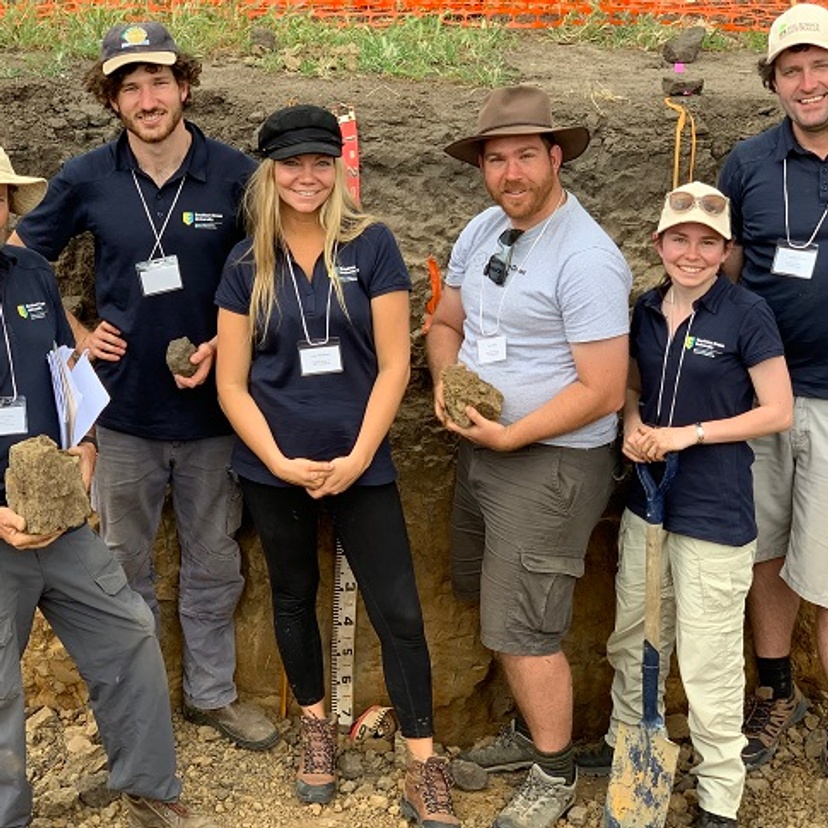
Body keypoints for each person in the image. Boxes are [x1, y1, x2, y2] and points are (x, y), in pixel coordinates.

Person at [8, 21, 277, 751]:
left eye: (159, 81)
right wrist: (73, 327)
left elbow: (277, 268)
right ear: (112, 99)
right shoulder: (86, 177)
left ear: (184, 86)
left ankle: (211, 695)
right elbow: (17, 258)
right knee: (122, 570)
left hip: (216, 415)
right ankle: (139, 707)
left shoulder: (234, 175)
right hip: (120, 414)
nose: (148, 97)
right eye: (130, 86)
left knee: (214, 562)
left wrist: (231, 340)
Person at [214, 103, 459, 826]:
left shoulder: (373, 245)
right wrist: (280, 461)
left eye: (321, 162)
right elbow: (230, 383)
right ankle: (315, 730)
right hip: (273, 465)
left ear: (339, 169)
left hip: (363, 462)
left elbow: (393, 366)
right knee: (292, 594)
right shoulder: (243, 263)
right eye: (292, 164)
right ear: (270, 171)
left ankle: (424, 764)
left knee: (400, 610)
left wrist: (356, 458)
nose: (307, 177)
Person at [425, 84, 632, 828]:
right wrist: (448, 380)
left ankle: (553, 770)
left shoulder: (588, 259)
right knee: (497, 601)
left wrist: (514, 434)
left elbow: (605, 389)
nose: (510, 174)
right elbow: (446, 319)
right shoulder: (483, 229)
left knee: (526, 625)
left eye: (523, 157)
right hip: (483, 451)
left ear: (554, 157)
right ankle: (531, 735)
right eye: (495, 160)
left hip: (549, 465)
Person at [0, 147, 219, 828]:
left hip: (60, 518)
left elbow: (66, 368)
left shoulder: (31, 272)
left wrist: (88, 443)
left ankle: (148, 789)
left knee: (127, 634)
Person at [577, 182, 793, 828]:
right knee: (635, 638)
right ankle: (629, 752)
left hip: (716, 512)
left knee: (708, 659)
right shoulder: (645, 308)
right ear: (659, 242)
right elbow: (633, 385)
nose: (692, 253)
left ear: (726, 249)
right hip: (649, 503)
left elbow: (776, 410)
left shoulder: (745, 313)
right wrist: (636, 422)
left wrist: (687, 435)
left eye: (707, 242)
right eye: (680, 239)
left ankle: (719, 794)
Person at [717, 2, 828, 771]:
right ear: (774, 81)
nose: (808, 82)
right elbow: (721, 274)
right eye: (792, 70)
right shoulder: (749, 164)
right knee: (767, 553)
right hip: (760, 398)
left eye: (821, 66)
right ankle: (777, 690)